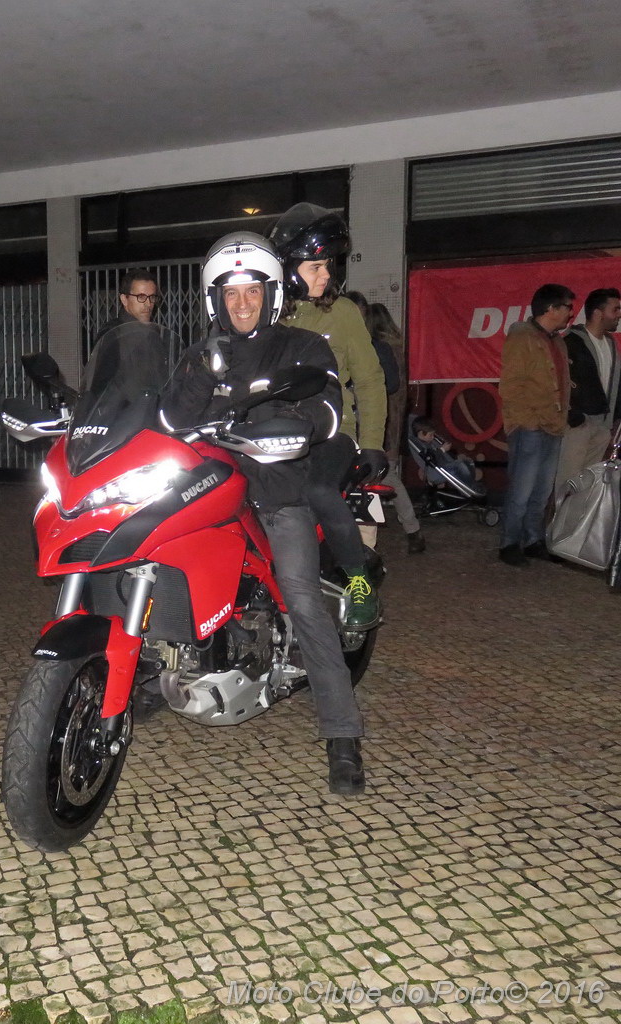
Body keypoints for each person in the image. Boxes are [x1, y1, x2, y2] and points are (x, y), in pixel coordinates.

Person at [162, 231, 366, 796]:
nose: (242, 303)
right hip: (208, 487)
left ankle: (343, 735)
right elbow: (171, 418)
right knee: (163, 561)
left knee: (301, 595)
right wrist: (203, 373)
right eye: (230, 294)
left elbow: (327, 409)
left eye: (252, 291)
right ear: (215, 301)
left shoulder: (303, 345)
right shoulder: (202, 353)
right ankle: (160, 675)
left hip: (278, 489)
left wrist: (295, 425)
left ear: (271, 294)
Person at [269, 205, 387, 626]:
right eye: (316, 267)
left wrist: (372, 442)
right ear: (288, 269)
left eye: (328, 266)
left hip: (332, 432)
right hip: (273, 435)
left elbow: (370, 380)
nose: (326, 275)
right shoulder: (267, 314)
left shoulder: (342, 313)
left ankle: (359, 580)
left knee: (319, 490)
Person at [498, 283, 574, 566]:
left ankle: (533, 540)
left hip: (553, 425)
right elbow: (510, 386)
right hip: (529, 426)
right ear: (551, 309)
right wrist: (528, 423)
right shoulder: (522, 337)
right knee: (522, 489)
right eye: (567, 307)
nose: (571, 313)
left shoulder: (557, 340)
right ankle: (509, 543)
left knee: (541, 490)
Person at [361, 299, 426, 553]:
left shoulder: (378, 350)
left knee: (381, 476)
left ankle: (408, 530)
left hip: (381, 421)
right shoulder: (396, 347)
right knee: (386, 476)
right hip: (392, 421)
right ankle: (410, 529)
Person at [555, 287, 621, 490]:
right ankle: (561, 513)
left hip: (602, 425)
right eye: (615, 309)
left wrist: (614, 418)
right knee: (568, 482)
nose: (619, 315)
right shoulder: (570, 342)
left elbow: (613, 383)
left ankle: (580, 514)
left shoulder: (610, 343)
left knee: (588, 485)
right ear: (598, 313)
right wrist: (573, 415)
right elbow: (559, 382)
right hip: (577, 425)